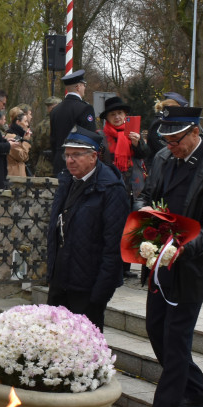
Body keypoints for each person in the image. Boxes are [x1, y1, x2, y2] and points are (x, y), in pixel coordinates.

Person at [133, 105, 203, 407]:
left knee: (176, 340)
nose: (170, 146)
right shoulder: (164, 158)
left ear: (195, 132)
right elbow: (146, 196)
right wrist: (144, 213)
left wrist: (181, 249)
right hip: (160, 259)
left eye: (176, 140)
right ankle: (198, 389)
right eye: (165, 140)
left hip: (191, 264)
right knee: (155, 329)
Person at [45, 127, 129, 330]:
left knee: (84, 349)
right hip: (61, 280)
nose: (69, 160)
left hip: (88, 287)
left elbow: (114, 246)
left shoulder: (110, 189)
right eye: (67, 155)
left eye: (76, 155)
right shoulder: (67, 180)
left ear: (93, 156)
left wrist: (100, 294)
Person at [99, 95, 150, 203]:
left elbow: (144, 154)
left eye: (120, 113)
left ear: (125, 114)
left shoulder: (133, 132)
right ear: (107, 118)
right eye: (112, 114)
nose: (117, 117)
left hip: (136, 187)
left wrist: (137, 143)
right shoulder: (101, 136)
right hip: (111, 187)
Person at [49, 70, 97, 175]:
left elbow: (53, 139)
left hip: (59, 161)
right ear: (78, 87)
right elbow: (90, 139)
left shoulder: (55, 110)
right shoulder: (85, 108)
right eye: (84, 85)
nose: (85, 88)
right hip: (78, 162)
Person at [146, 92, 187, 157]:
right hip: (159, 163)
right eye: (179, 109)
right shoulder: (159, 123)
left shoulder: (167, 121)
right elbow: (161, 148)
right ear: (170, 107)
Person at [29, 96, 60, 177]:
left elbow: (33, 150)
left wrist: (35, 166)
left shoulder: (39, 125)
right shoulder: (62, 124)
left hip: (41, 166)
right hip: (58, 166)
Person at [6, 105, 32, 178]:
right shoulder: (11, 137)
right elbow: (22, 156)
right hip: (14, 176)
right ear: (18, 122)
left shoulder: (19, 136)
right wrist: (26, 141)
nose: (27, 124)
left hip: (18, 174)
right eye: (25, 121)